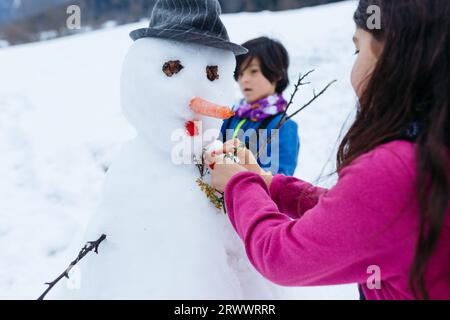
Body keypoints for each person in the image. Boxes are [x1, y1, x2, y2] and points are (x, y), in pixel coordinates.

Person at [206, 0, 450, 300]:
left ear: (396, 53)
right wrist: (269, 185)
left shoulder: (398, 167)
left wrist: (240, 184)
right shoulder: (430, 150)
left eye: (358, 49)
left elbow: (279, 256)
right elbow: (358, 214)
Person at [220, 37, 300, 176]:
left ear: (277, 73)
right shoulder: (231, 115)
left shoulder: (283, 126)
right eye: (240, 73)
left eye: (253, 71)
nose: (244, 79)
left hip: (249, 196)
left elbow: (278, 181)